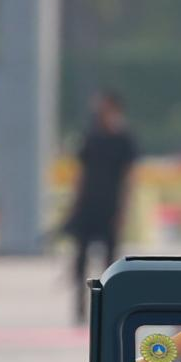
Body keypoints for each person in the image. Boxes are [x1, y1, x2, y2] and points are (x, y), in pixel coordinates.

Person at [63, 88, 137, 324]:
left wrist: (124, 210)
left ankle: (108, 304)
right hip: (88, 205)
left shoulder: (124, 140)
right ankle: (79, 306)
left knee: (109, 260)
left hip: (110, 206)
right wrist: (74, 203)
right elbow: (81, 173)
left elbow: (129, 177)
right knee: (81, 257)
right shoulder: (91, 136)